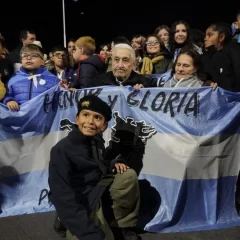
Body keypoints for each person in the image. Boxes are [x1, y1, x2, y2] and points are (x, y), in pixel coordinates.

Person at [48, 95, 141, 240]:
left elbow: (98, 164)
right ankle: (64, 222)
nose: (90, 122)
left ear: (103, 126)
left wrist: (114, 163)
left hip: (96, 193)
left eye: (97, 118)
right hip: (78, 204)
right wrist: (89, 233)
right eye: (86, 115)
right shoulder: (61, 150)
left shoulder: (95, 140)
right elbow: (62, 196)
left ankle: (120, 226)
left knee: (127, 176)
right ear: (77, 119)